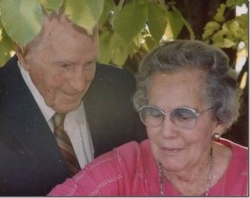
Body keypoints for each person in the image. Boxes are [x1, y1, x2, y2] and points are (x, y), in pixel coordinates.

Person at [0, 10, 146, 196]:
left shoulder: (121, 86)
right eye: (65, 66)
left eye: (89, 64)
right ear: (22, 52)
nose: (79, 84)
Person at [49, 40, 248, 196]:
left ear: (219, 120)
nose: (166, 132)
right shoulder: (126, 167)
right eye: (155, 113)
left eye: (184, 115)